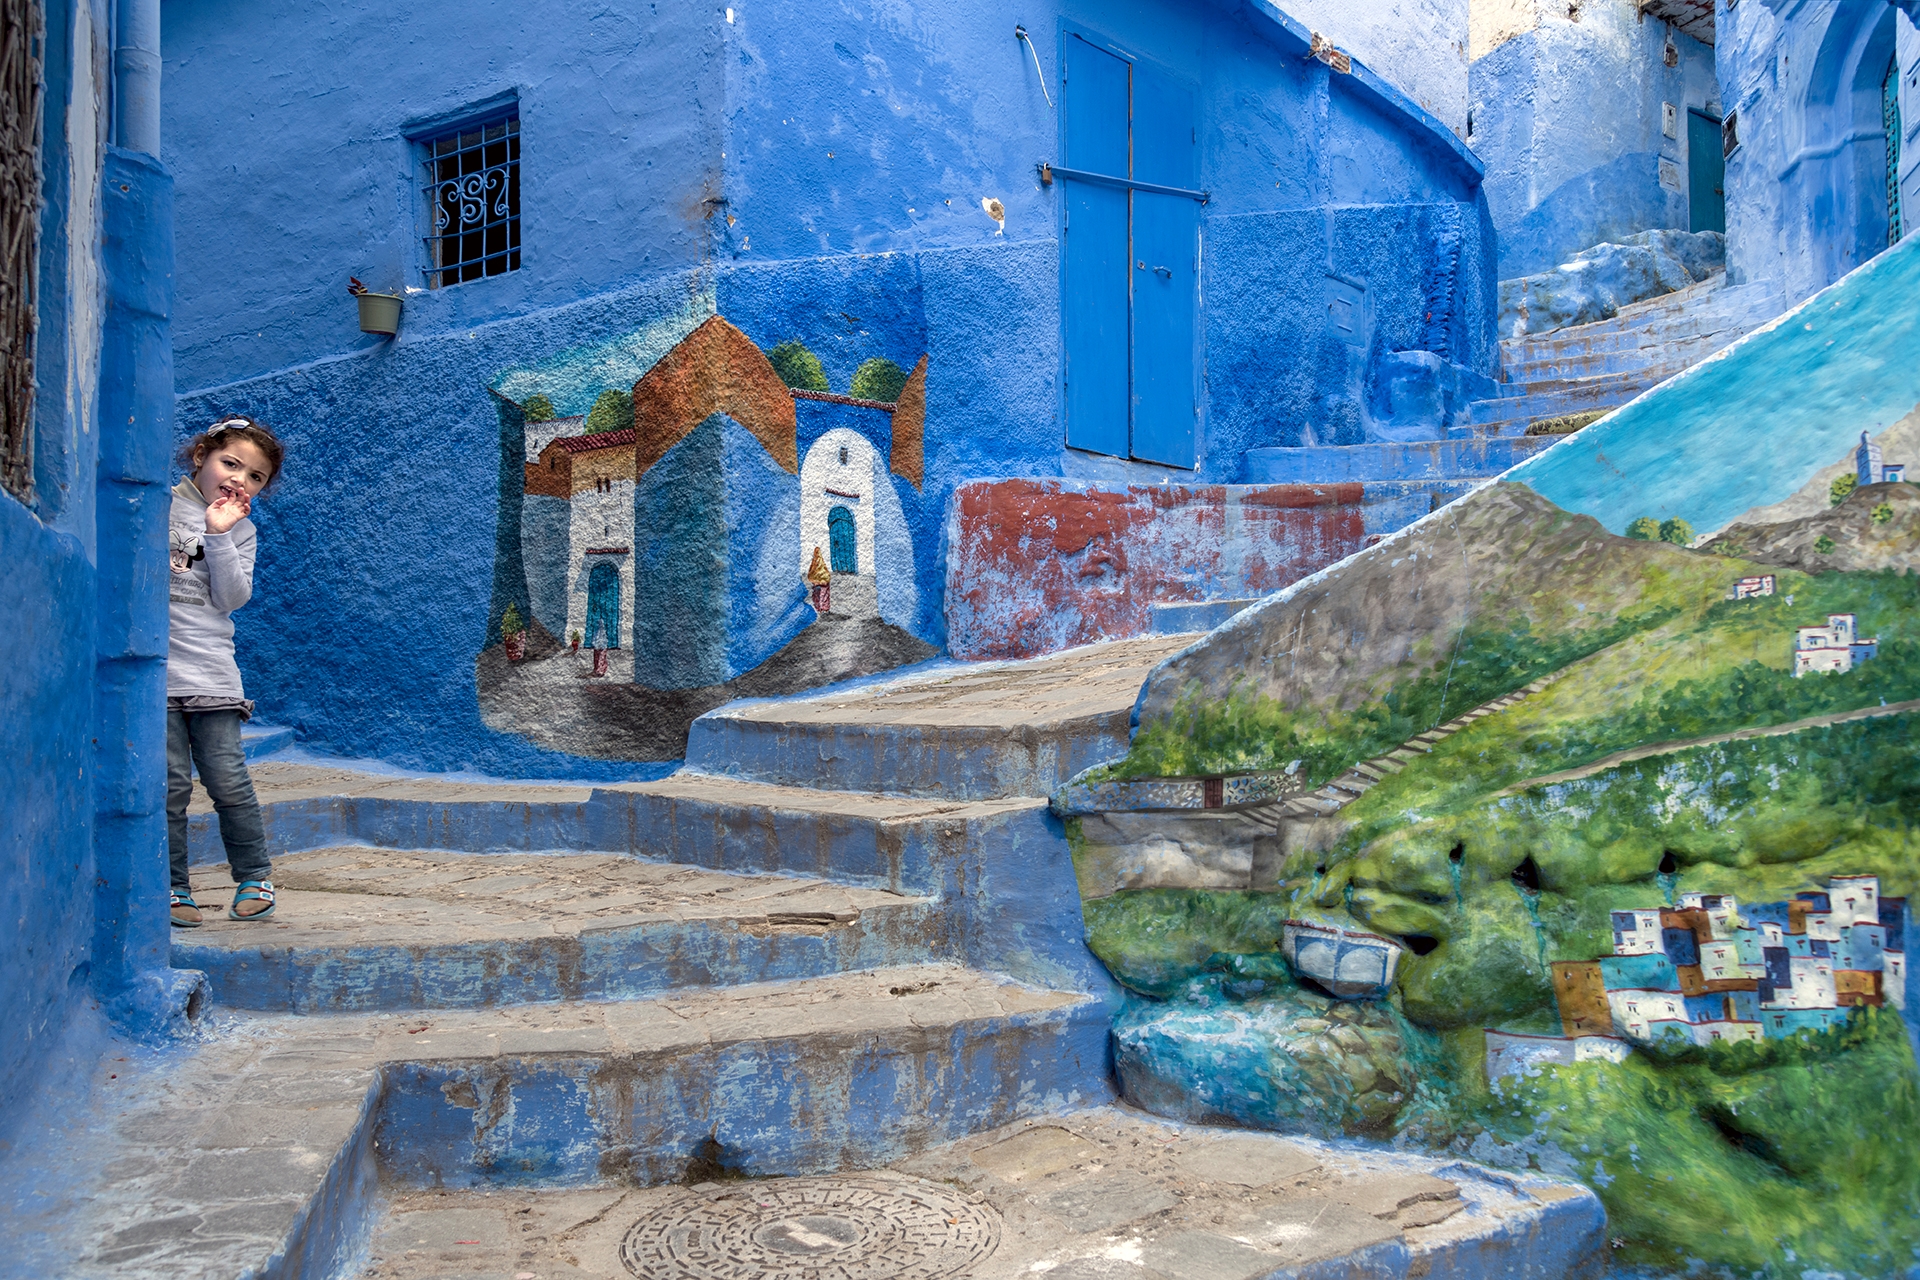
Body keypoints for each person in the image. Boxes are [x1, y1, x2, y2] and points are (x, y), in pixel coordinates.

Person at [166, 417, 284, 927]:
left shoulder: (243, 530)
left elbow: (231, 598)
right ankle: (172, 885)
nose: (240, 480)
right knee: (168, 786)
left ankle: (254, 876)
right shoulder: (157, 508)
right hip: (157, 678)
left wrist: (219, 534)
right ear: (201, 457)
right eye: (230, 463)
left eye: (256, 477)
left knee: (229, 783)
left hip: (211, 675)